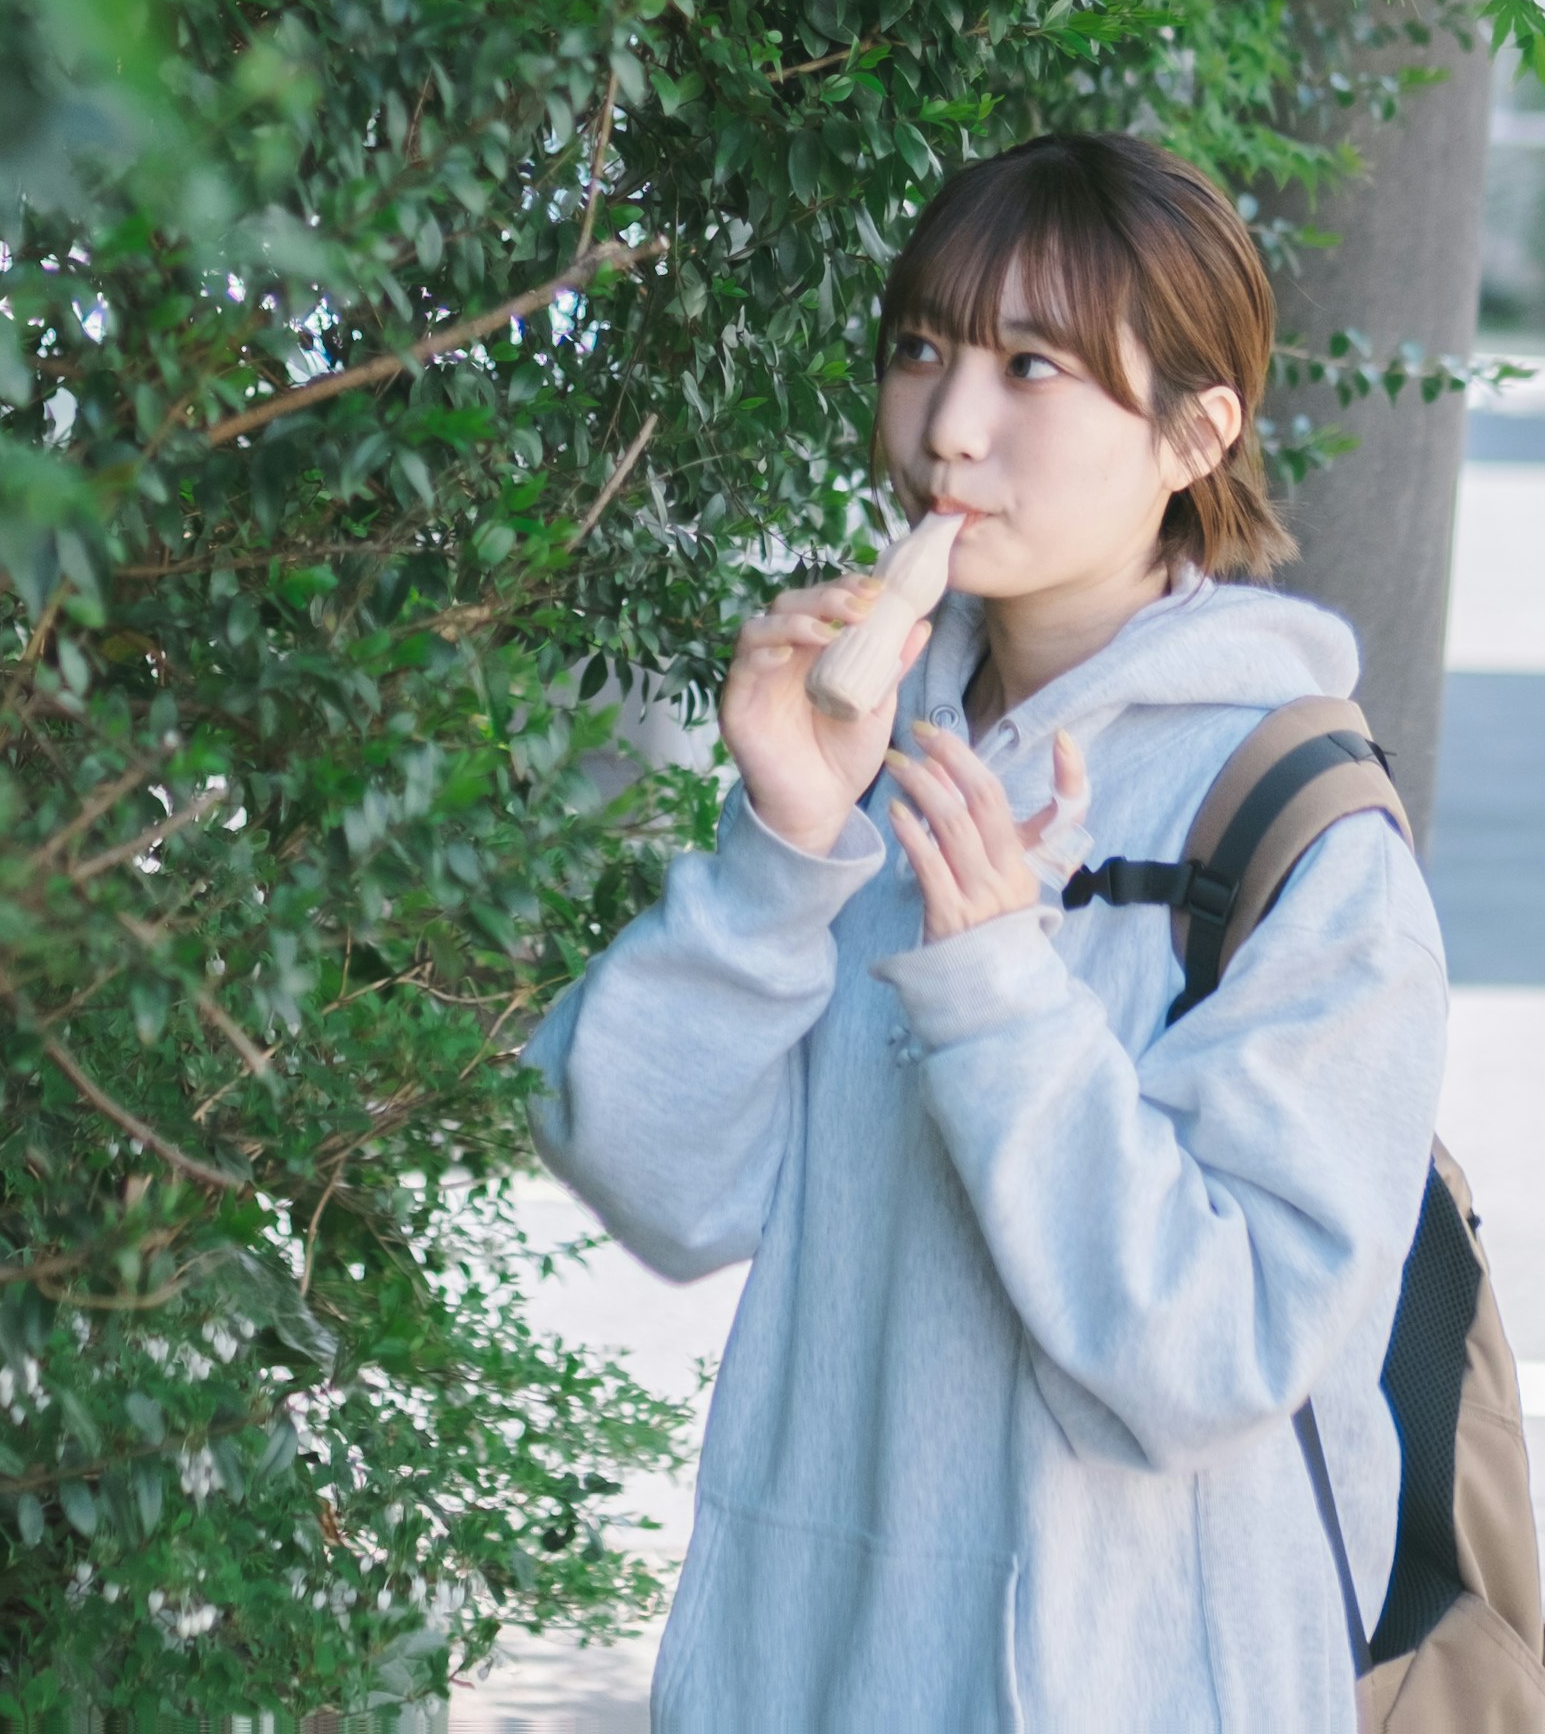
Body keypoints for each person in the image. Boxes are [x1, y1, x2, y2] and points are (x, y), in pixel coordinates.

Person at [526, 131, 1449, 1729]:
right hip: (802, 1671)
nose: (949, 427)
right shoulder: (874, 740)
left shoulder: (1297, 825)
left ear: (1194, 433)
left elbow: (1218, 1353)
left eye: (1033, 367)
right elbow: (658, 1181)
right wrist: (783, 849)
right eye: (921, 350)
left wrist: (1002, 1000)